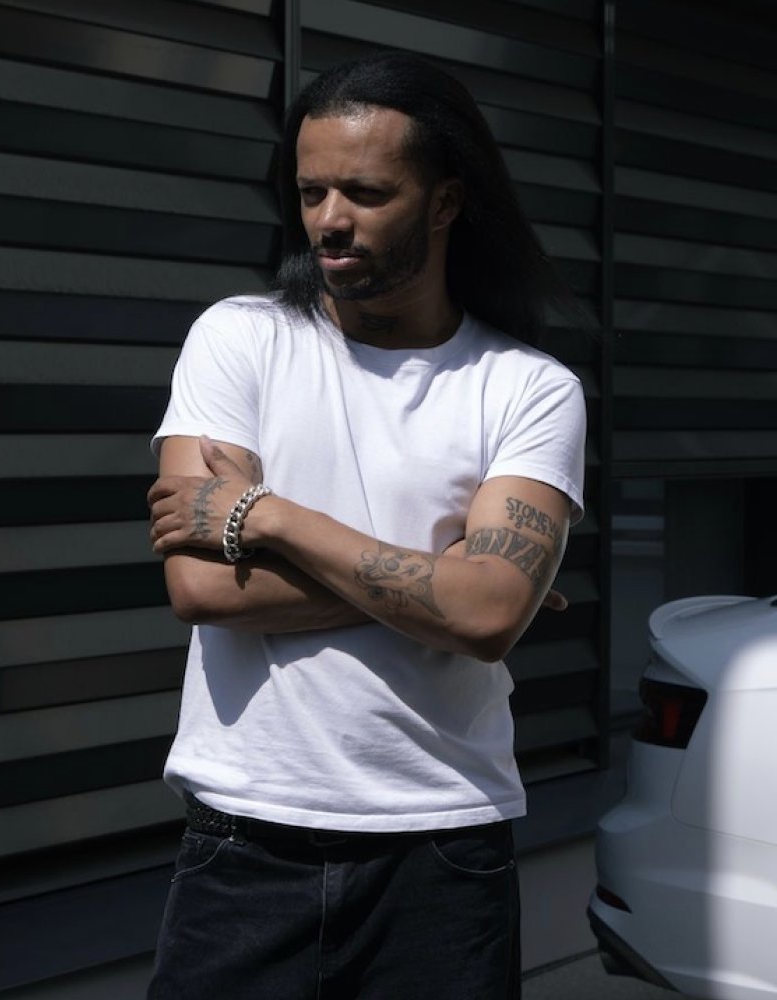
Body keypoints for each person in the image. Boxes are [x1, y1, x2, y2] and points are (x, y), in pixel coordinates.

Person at [145, 52, 586, 1000]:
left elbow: (486, 616)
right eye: (312, 192)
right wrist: (449, 585)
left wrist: (268, 516)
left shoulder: (528, 389)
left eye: (366, 192)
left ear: (445, 200)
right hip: (244, 844)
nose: (329, 220)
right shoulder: (241, 338)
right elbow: (202, 585)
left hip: (442, 848)